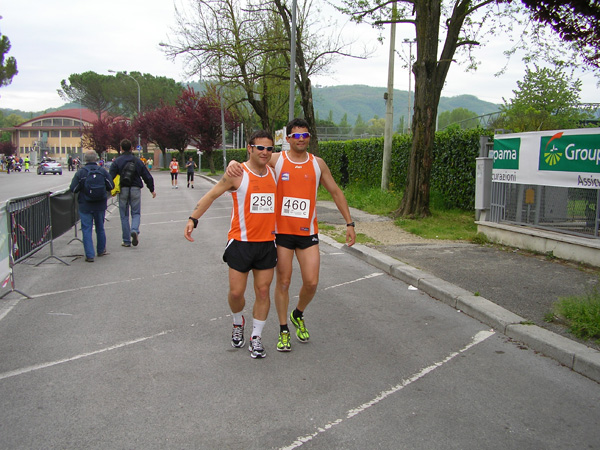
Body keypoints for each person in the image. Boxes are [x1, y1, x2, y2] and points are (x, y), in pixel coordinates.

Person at [227, 118, 356, 352]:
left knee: (312, 281)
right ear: (288, 140)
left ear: (309, 138)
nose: (301, 139)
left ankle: (298, 314)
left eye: (305, 135)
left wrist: (349, 222)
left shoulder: (318, 164)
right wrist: (233, 163)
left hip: (307, 233)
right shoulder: (278, 159)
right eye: (296, 136)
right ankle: (283, 329)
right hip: (282, 234)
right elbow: (254, 158)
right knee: (283, 282)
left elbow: (336, 191)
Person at [185, 130, 278, 359]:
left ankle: (256, 337)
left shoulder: (276, 173)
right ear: (250, 148)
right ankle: (238, 322)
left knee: (263, 291)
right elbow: (211, 195)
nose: (265, 152)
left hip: (267, 243)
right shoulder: (237, 173)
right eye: (260, 148)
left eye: (269, 149)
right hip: (241, 243)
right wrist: (193, 219)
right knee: (237, 293)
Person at [109, 139, 156, 247]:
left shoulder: (117, 161)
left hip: (123, 188)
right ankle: (134, 230)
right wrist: (151, 189)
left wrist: (109, 189)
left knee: (124, 215)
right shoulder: (137, 161)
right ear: (131, 148)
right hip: (135, 188)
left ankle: (126, 240)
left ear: (121, 148)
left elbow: (110, 176)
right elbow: (147, 176)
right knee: (136, 213)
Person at [69, 150, 114, 262]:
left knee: (86, 229)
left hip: (85, 205)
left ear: (85, 159)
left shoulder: (81, 172)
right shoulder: (102, 171)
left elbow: (73, 188)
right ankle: (101, 250)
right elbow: (111, 185)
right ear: (96, 159)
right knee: (100, 227)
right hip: (100, 204)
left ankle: (89, 255)